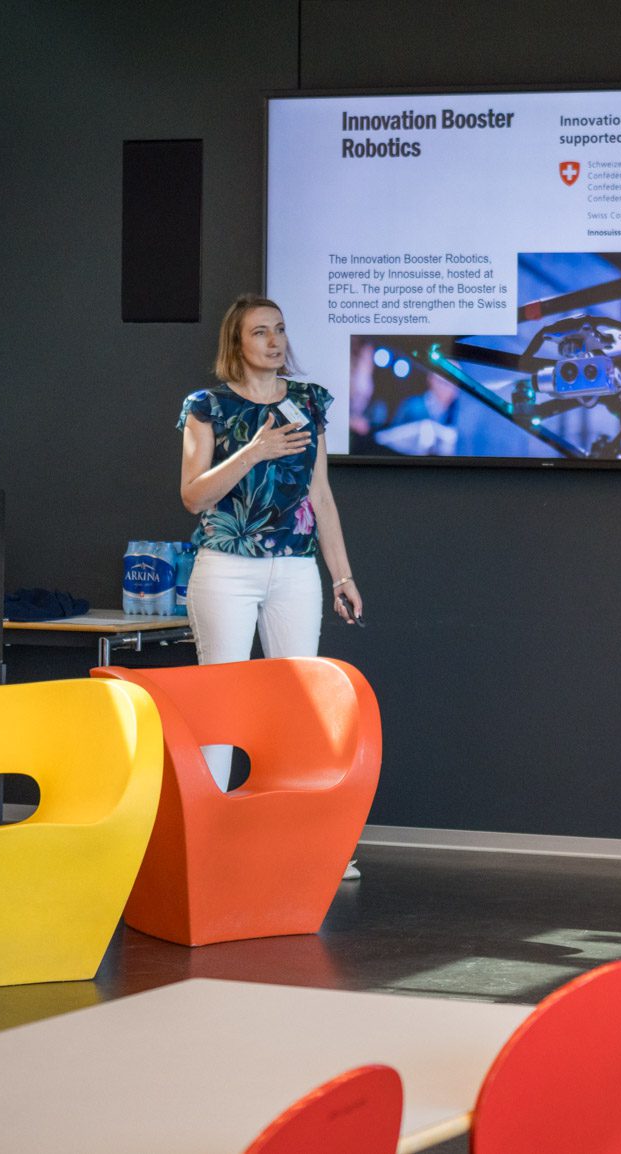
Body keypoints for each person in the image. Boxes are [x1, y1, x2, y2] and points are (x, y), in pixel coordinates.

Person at [179, 294, 364, 877]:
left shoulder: (307, 402)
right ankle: (207, 842)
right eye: (260, 332)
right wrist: (254, 451)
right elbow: (193, 496)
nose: (275, 341)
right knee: (221, 705)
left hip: (295, 569)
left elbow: (321, 497)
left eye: (279, 329)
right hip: (226, 566)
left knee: (297, 705)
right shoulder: (208, 406)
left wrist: (342, 575)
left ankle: (306, 844)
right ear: (236, 343)